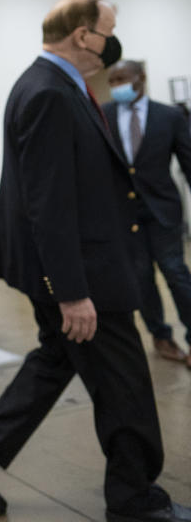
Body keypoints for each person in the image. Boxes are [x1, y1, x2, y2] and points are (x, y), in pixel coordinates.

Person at [0, 0, 190, 522]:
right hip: (85, 273)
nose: (113, 45)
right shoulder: (50, 91)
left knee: (59, 357)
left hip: (76, 265)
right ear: (82, 36)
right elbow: (49, 202)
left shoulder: (49, 84)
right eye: (108, 32)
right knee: (125, 385)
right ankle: (135, 501)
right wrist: (72, 290)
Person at [103, 60, 191, 368]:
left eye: (122, 78)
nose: (117, 85)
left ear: (140, 78)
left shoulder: (170, 116)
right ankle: (161, 336)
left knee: (176, 274)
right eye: (112, 80)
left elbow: (188, 161)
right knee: (141, 279)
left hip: (163, 211)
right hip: (125, 216)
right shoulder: (104, 115)